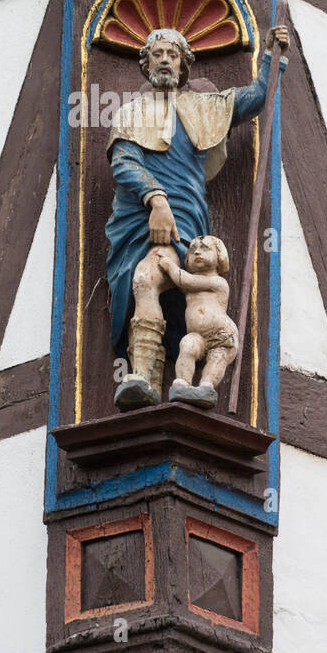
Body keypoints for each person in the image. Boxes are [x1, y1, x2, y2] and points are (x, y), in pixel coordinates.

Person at [106, 20, 289, 410]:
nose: (166, 60)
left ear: (184, 64)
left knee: (147, 280)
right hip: (142, 220)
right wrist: (155, 199)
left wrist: (272, 56)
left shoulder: (204, 107)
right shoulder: (131, 113)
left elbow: (254, 99)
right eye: (158, 54)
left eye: (173, 55)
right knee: (143, 280)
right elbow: (124, 161)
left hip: (185, 222)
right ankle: (144, 377)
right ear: (146, 62)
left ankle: (152, 378)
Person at [157, 236, 237, 409]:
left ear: (220, 256)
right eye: (192, 250)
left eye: (205, 248)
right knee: (187, 345)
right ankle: (182, 383)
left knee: (217, 358)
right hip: (199, 336)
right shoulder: (191, 284)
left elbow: (186, 281)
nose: (197, 252)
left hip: (221, 334)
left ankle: (206, 387)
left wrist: (170, 265)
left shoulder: (218, 282)